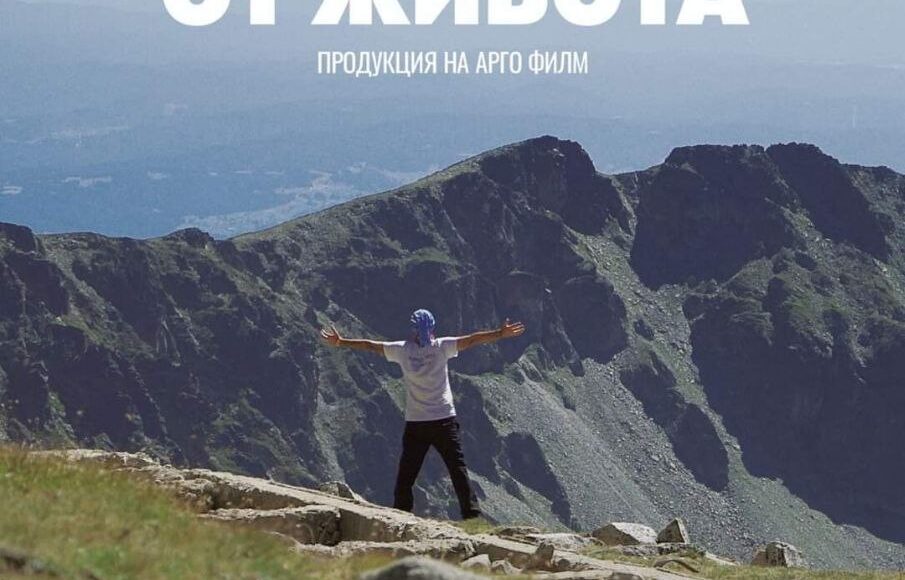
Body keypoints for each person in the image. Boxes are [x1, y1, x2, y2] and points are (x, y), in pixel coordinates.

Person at [321, 309, 525, 520]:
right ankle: (472, 514)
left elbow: (370, 345)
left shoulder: (402, 350)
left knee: (407, 474)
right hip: (444, 420)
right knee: (457, 469)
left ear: (413, 330)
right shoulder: (443, 347)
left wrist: (342, 342)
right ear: (433, 327)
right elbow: (472, 340)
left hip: (417, 423)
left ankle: (400, 514)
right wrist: (499, 333)